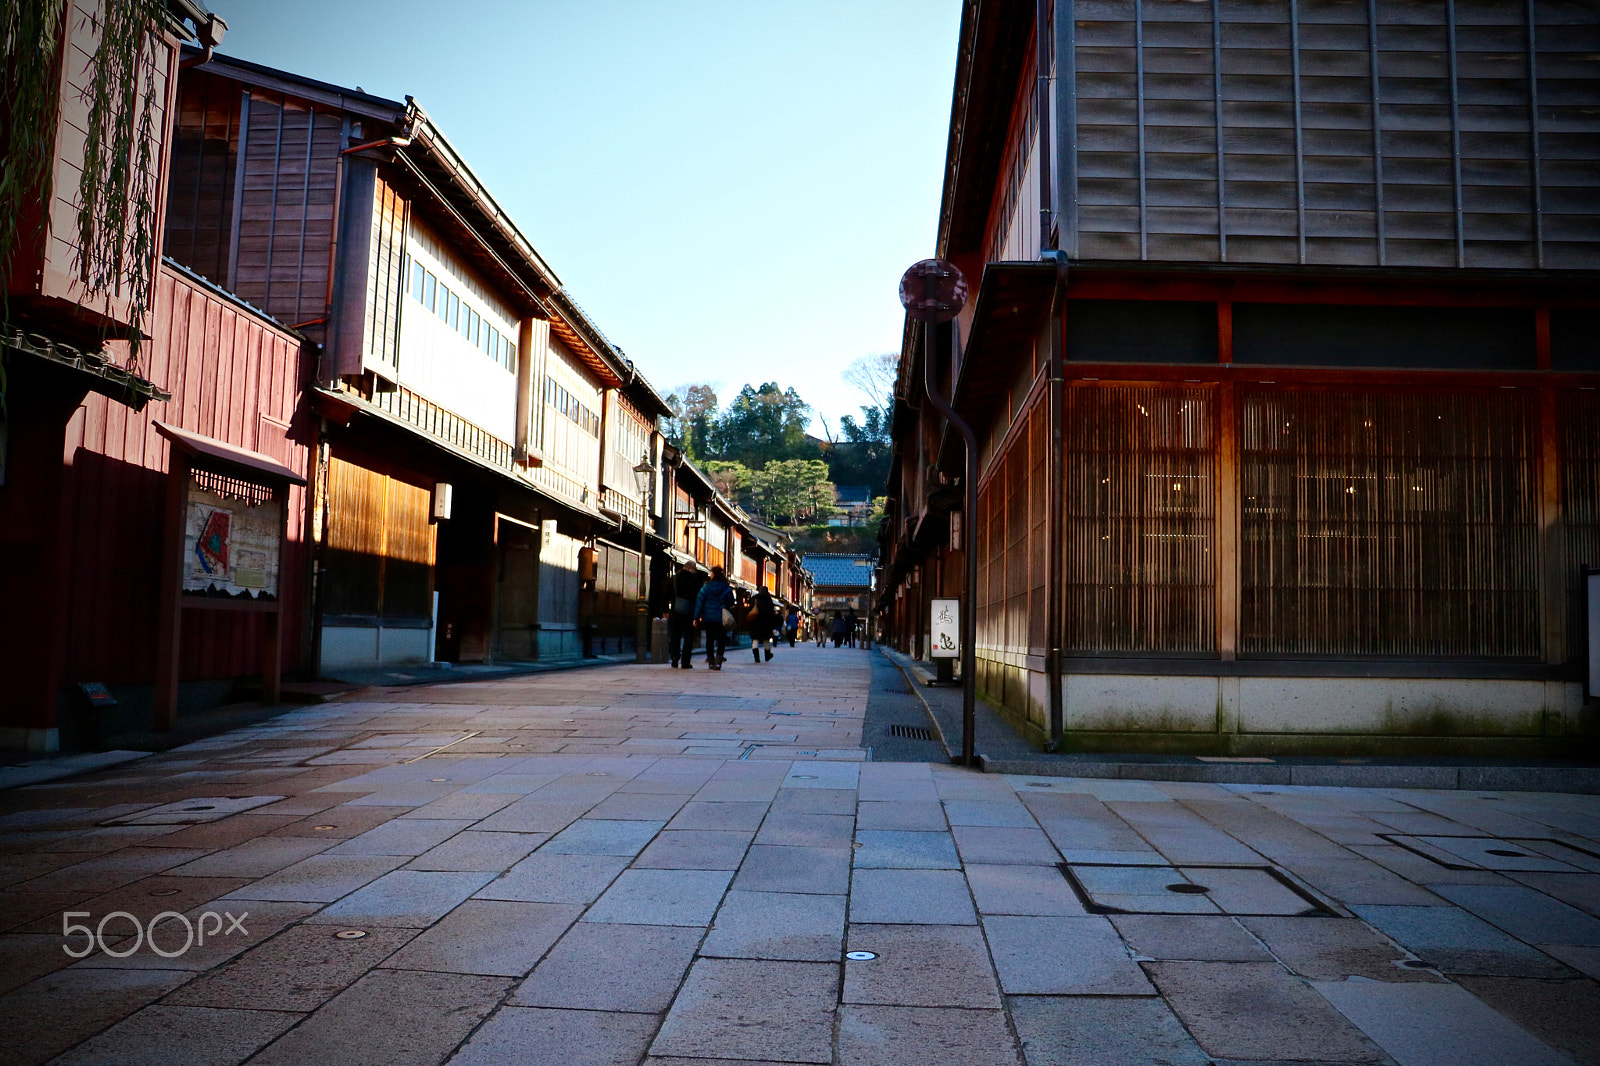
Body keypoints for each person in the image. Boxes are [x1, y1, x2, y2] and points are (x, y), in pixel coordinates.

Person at [692, 566, 735, 670]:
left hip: (709, 617)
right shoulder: (726, 588)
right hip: (722, 618)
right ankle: (719, 660)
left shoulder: (706, 588)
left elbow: (699, 602)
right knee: (721, 640)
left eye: (711, 573)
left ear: (714, 574)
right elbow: (731, 602)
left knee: (710, 639)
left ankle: (710, 660)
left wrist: (696, 617)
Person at [668, 563, 706, 668]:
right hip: (690, 612)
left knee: (675, 636)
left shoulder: (674, 578)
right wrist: (698, 614)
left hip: (675, 611)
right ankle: (685, 661)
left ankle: (674, 658)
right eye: (694, 570)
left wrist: (666, 610)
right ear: (690, 568)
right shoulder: (695, 580)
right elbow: (698, 597)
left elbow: (667, 594)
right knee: (688, 637)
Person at [748, 587, 779, 663]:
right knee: (766, 640)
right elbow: (772, 614)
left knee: (755, 640)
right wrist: (773, 625)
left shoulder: (755, 599)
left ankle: (756, 658)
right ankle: (767, 656)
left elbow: (750, 610)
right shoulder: (769, 600)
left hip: (755, 623)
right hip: (766, 624)